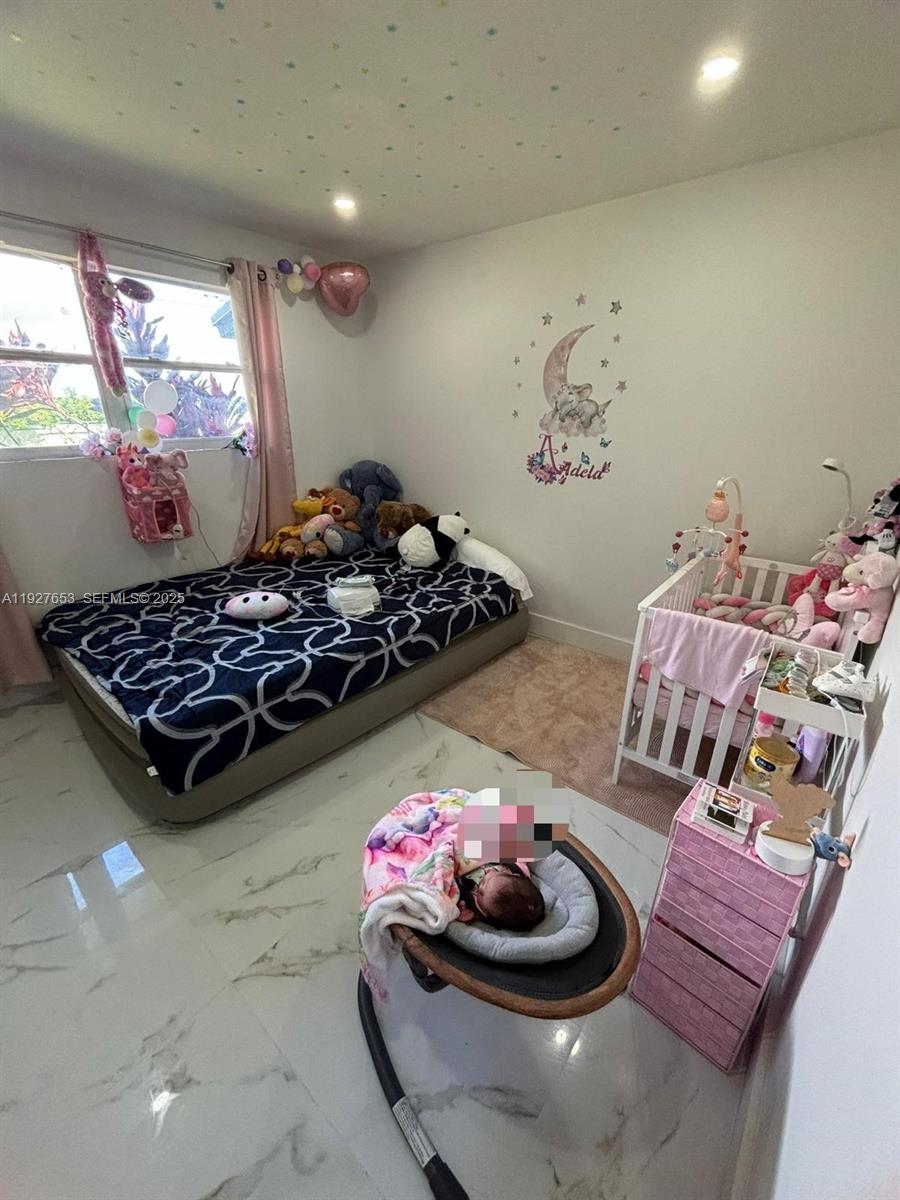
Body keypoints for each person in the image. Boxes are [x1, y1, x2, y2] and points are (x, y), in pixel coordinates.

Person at [456, 862, 545, 931]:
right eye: (496, 872)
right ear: (513, 874)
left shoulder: (473, 910)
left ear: (487, 914)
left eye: (481, 886)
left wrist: (462, 911)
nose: (487, 871)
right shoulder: (515, 872)